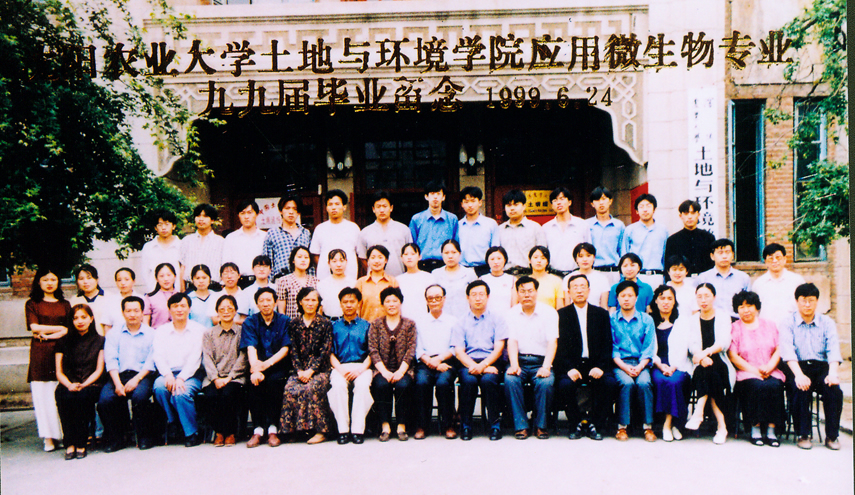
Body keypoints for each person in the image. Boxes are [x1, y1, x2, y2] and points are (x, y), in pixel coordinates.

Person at [779, 283, 844, 450]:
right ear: (796, 301)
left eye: (811, 300)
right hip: (797, 366)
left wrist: (832, 373)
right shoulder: (787, 323)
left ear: (817, 301)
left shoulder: (827, 322)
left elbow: (833, 350)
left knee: (834, 391)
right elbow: (788, 352)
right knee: (799, 388)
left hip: (821, 367)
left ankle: (832, 436)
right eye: (803, 300)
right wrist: (799, 375)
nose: (807, 305)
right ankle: (803, 434)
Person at [555, 273, 613, 440]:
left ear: (589, 290)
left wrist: (600, 367)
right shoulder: (561, 314)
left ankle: (596, 424)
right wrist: (569, 368)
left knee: (608, 383)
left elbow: (607, 344)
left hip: (595, 363)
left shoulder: (601, 314)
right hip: (572, 365)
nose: (579, 290)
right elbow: (559, 347)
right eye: (575, 287)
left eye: (583, 287)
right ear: (569, 292)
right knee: (565, 384)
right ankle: (576, 424)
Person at [98, 295, 157, 452]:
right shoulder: (113, 334)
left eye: (136, 311)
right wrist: (118, 384)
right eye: (128, 311)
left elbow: (151, 361)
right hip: (118, 375)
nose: (132, 314)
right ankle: (117, 439)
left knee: (140, 397)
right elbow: (111, 360)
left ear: (142, 312)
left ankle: (145, 437)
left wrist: (136, 379)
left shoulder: (151, 333)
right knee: (105, 400)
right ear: (123, 313)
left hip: (142, 375)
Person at [727, 291, 785, 447]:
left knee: (775, 385)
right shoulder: (735, 328)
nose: (746, 310)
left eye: (749, 306)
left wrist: (769, 367)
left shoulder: (770, 325)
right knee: (756, 386)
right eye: (741, 307)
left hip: (770, 369)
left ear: (757, 307)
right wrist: (754, 371)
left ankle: (771, 431)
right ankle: (755, 428)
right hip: (746, 372)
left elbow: (779, 349)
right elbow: (733, 355)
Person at [452, 280, 507, 441]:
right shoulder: (460, 321)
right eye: (474, 295)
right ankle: (466, 426)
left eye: (481, 294)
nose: (478, 298)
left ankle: (495, 426)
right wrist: (475, 366)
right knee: (468, 381)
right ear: (467, 298)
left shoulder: (497, 319)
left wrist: (483, 365)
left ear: (488, 297)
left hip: (491, 361)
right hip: (468, 362)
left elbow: (499, 348)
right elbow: (459, 351)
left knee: (488, 381)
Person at [504, 276, 558, 440]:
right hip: (519, 360)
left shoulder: (549, 312)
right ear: (517, 293)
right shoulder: (511, 313)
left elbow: (552, 342)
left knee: (545, 383)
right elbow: (512, 341)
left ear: (536, 292)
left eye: (530, 291)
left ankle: (541, 425)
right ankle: (521, 426)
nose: (527, 295)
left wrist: (546, 367)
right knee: (511, 379)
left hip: (541, 361)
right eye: (522, 291)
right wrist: (514, 365)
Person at [151, 293, 206, 448]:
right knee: (159, 387)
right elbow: (158, 356)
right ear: (169, 309)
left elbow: (196, 358)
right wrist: (168, 375)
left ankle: (191, 432)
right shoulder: (161, 331)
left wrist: (181, 378)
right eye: (175, 306)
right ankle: (174, 422)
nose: (179, 309)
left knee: (180, 392)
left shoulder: (199, 330)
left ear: (189, 308)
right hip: (168, 373)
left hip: (191, 374)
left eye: (183, 306)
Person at [25, 267, 71, 452]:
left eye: (53, 279)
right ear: (39, 282)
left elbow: (69, 329)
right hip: (40, 354)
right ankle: (48, 437)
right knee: (43, 395)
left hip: (62, 352)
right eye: (45, 279)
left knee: (61, 394)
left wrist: (51, 334)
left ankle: (64, 434)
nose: (50, 283)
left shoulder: (65, 304)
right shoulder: (32, 304)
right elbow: (34, 327)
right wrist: (59, 329)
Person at [280, 288, 333, 444]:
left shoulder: (325, 323)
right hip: (300, 370)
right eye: (307, 300)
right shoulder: (294, 324)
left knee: (312, 387)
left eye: (313, 300)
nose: (310, 303)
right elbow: (293, 350)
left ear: (318, 303)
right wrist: (299, 370)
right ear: (300, 302)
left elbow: (325, 350)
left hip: (320, 370)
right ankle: (295, 431)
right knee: (290, 388)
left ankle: (321, 431)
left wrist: (311, 370)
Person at [607, 280, 657, 442]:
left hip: (641, 363)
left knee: (644, 383)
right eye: (623, 296)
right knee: (626, 383)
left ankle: (647, 427)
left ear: (636, 298)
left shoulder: (646, 320)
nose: (626, 299)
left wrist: (640, 366)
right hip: (619, 363)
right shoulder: (612, 320)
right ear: (617, 298)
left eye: (630, 295)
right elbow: (613, 348)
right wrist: (625, 367)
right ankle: (622, 427)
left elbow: (648, 347)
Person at [685, 283, 735, 445]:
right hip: (701, 363)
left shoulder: (723, 316)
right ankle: (722, 427)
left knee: (710, 371)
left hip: (720, 360)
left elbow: (724, 342)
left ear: (714, 297)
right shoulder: (693, 319)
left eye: (707, 296)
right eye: (699, 296)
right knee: (708, 373)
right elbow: (692, 344)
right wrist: (701, 358)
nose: (703, 300)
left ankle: (699, 411)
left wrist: (705, 353)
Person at [240, 288, 291, 448]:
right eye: (261, 300)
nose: (265, 303)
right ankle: (258, 430)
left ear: (275, 302)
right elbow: (250, 347)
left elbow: (285, 348)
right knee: (254, 383)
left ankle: (273, 430)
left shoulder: (284, 320)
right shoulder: (250, 322)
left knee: (274, 382)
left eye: (269, 300)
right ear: (257, 304)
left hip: (278, 365)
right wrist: (256, 369)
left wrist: (267, 364)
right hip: (257, 364)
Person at [55, 304, 105, 460]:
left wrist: (84, 384)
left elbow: (99, 369)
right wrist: (69, 384)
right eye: (75, 318)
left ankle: (81, 443)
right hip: (68, 383)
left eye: (84, 317)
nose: (80, 321)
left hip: (91, 383)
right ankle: (70, 443)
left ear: (91, 319)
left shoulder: (100, 340)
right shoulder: (63, 341)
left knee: (82, 397)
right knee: (63, 396)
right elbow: (59, 371)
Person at [368, 287, 417, 442]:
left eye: (394, 301)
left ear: (400, 303)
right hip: (382, 370)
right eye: (387, 301)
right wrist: (384, 371)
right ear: (382, 304)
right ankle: (385, 426)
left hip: (404, 369)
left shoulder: (409, 324)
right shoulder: (375, 324)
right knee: (381, 385)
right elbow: (373, 350)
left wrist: (401, 372)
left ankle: (401, 425)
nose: (391, 304)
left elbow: (411, 350)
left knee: (403, 385)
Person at [202, 295, 248, 447]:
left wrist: (229, 377)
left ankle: (230, 433)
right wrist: (215, 378)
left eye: (230, 308)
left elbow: (243, 357)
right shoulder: (209, 333)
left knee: (228, 394)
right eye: (222, 309)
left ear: (235, 311)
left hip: (235, 377)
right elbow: (207, 357)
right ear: (217, 312)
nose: (226, 312)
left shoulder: (242, 332)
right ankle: (219, 432)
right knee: (211, 395)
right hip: (213, 377)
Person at [328, 288, 373, 445]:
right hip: (339, 366)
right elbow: (330, 353)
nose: (348, 305)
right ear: (340, 304)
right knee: (338, 386)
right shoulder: (333, 326)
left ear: (359, 303)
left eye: (352, 301)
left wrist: (360, 370)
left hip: (362, 366)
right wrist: (340, 369)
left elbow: (372, 353)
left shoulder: (367, 326)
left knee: (362, 386)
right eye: (345, 302)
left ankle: (357, 430)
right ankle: (343, 430)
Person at [414, 284, 458, 440]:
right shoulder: (419, 322)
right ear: (426, 300)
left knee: (443, 383)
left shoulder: (453, 321)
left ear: (444, 299)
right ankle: (422, 426)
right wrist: (430, 361)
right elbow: (417, 348)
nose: (434, 301)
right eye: (430, 298)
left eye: (438, 298)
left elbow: (455, 347)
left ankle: (449, 425)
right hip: (425, 362)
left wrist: (439, 360)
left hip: (446, 361)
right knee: (421, 382)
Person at [648, 285, 692, 442]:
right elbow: (649, 348)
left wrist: (673, 367)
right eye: (662, 298)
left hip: (679, 364)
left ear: (674, 302)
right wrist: (660, 365)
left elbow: (685, 348)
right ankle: (667, 424)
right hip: (657, 364)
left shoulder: (682, 321)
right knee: (661, 380)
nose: (665, 302)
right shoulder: (650, 321)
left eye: (669, 298)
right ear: (656, 300)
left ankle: (671, 424)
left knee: (674, 381)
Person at [356, 191, 413, 277]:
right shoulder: (365, 232)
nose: (381, 210)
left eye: (385, 206)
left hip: (399, 278)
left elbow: (410, 255)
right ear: (373, 209)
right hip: (374, 280)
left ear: (391, 208)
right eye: (378, 207)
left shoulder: (403, 229)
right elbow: (363, 258)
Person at [751, 243, 806, 328]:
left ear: (784, 259)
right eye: (770, 258)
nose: (774, 261)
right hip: (766, 330)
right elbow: (755, 311)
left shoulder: (797, 281)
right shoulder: (758, 284)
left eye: (778, 257)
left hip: (792, 330)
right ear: (765, 261)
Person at [409, 181, 459, 272]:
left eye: (438, 194)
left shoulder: (452, 219)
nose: (435, 197)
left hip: (445, 266)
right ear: (426, 196)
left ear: (443, 197)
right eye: (432, 194)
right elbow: (412, 245)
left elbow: (456, 244)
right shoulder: (416, 219)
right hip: (422, 266)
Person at [311, 189, 360, 281]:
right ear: (326, 208)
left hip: (349, 277)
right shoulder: (320, 229)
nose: (333, 207)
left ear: (344, 207)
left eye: (337, 204)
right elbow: (315, 255)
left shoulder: (353, 228)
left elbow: (359, 253)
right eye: (330, 204)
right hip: (325, 278)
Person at [621, 193, 668, 288]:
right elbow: (624, 254)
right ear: (636, 211)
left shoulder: (663, 230)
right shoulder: (630, 230)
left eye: (648, 206)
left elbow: (665, 255)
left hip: (657, 276)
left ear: (654, 209)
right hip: (636, 276)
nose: (645, 210)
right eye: (641, 207)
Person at [696, 239, 750, 320]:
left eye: (727, 252)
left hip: (736, 321)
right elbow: (695, 304)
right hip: (712, 320)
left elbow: (749, 303)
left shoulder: (743, 278)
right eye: (720, 253)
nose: (724, 256)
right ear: (712, 256)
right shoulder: (703, 278)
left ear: (733, 255)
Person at [542, 186, 591, 276]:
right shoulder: (546, 227)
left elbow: (589, 250)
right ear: (552, 205)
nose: (559, 203)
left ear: (569, 202)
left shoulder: (582, 225)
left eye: (562, 199)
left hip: (577, 274)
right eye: (555, 200)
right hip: (554, 275)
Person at [262, 195, 312, 282]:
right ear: (281, 211)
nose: (291, 212)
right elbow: (267, 259)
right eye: (287, 208)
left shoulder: (305, 233)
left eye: (294, 209)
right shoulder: (272, 233)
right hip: (280, 280)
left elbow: (311, 261)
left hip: (303, 280)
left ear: (298, 212)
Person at [495, 188, 547, 272]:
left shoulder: (535, 228)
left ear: (524, 206)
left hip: (529, 273)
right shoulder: (499, 230)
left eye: (516, 205)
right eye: (509, 205)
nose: (512, 208)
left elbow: (543, 254)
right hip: (506, 274)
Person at [663, 199, 715, 277]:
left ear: (698, 214)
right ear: (680, 216)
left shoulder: (708, 238)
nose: (690, 217)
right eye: (686, 213)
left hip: (704, 280)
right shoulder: (673, 240)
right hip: (681, 280)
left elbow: (713, 263)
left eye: (693, 213)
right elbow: (668, 265)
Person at [222, 199, 267, 288]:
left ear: (257, 214)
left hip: (260, 282)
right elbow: (226, 263)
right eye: (242, 213)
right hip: (238, 283)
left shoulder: (265, 237)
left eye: (250, 213)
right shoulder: (231, 238)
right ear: (238, 215)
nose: (246, 216)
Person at [181, 203, 225, 288]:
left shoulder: (221, 242)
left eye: (205, 216)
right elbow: (182, 266)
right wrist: (182, 289)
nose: (201, 219)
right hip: (191, 288)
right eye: (198, 216)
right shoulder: (186, 241)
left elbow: (224, 267)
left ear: (212, 220)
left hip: (213, 288)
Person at [587, 186, 624, 284]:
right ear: (592, 204)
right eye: (597, 200)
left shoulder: (619, 225)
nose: (601, 203)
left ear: (610, 201)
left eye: (604, 199)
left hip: (614, 272)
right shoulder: (587, 225)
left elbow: (622, 251)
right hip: (593, 272)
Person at [431, 239, 477, 318]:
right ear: (442, 254)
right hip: (442, 318)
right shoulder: (435, 274)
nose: (450, 256)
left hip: (464, 318)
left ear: (460, 254)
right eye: (446, 253)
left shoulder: (469, 273)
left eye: (454, 252)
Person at [457, 186, 497, 276]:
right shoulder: (458, 225)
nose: (470, 205)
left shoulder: (491, 224)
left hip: (485, 269)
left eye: (473, 201)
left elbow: (495, 250)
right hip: (462, 269)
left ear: (480, 202)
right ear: (462, 204)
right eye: (466, 202)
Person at [140, 209, 182, 292]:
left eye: (167, 224)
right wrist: (152, 291)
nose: (163, 228)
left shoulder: (182, 246)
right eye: (160, 225)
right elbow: (145, 272)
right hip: (154, 293)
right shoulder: (148, 247)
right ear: (155, 228)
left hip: (177, 293)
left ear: (173, 226)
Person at [355, 245, 399, 322]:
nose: (376, 261)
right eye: (373, 257)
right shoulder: (361, 282)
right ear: (368, 260)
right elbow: (357, 308)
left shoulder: (392, 281)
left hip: (387, 326)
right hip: (366, 325)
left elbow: (397, 306)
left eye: (380, 257)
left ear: (386, 260)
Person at [276, 246, 319, 318]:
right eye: (299, 257)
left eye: (306, 257)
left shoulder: (316, 281)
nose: (303, 260)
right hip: (291, 322)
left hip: (312, 323)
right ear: (293, 260)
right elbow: (281, 311)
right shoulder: (283, 281)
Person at [562, 243, 610, 308]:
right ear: (576, 259)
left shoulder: (602, 279)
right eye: (581, 256)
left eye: (588, 256)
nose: (585, 259)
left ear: (594, 257)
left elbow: (604, 306)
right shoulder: (568, 278)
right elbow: (567, 305)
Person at [396, 243, 434, 320]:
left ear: (419, 257)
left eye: (413, 254)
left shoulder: (428, 277)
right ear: (402, 258)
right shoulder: (397, 280)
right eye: (406, 254)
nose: (409, 257)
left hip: (423, 320)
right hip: (404, 322)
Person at [69, 264, 110, 335]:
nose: (85, 282)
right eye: (81, 279)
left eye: (89, 278)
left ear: (97, 279)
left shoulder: (109, 297)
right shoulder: (74, 300)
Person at [316, 249, 357, 319]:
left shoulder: (353, 284)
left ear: (346, 262)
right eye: (334, 261)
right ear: (329, 263)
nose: (338, 265)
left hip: (347, 321)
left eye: (342, 261)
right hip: (327, 320)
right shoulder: (322, 285)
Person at [102, 268, 144, 333]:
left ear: (133, 281)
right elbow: (107, 325)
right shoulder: (110, 301)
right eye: (119, 280)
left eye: (126, 279)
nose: (123, 283)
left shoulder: (142, 299)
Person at [480, 246, 517, 315]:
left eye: (499, 258)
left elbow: (514, 305)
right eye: (492, 259)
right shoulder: (482, 280)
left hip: (507, 318)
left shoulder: (512, 280)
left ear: (505, 260)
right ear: (487, 261)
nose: (496, 262)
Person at [528, 246, 565, 310]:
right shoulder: (524, 281)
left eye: (543, 258)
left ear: (547, 262)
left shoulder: (556, 281)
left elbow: (560, 307)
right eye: (535, 257)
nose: (539, 261)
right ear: (530, 260)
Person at [143, 262, 177, 329]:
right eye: (161, 276)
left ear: (175, 276)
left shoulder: (182, 297)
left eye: (169, 275)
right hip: (156, 333)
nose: (166, 279)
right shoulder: (150, 298)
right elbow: (145, 323)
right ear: (157, 279)